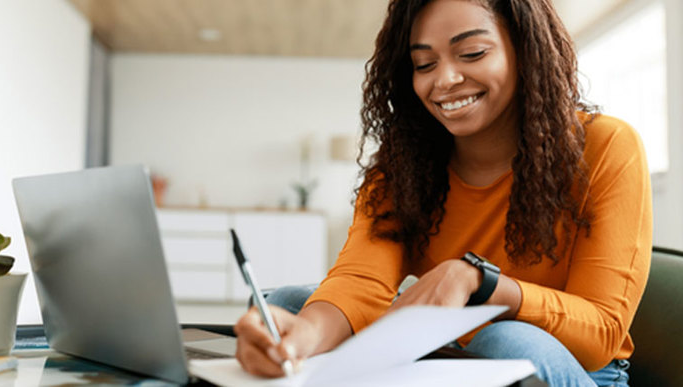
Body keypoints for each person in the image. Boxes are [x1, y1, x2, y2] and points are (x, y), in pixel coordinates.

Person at [233, 0, 652, 385]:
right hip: (450, 356)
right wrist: (302, 336)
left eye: (472, 54)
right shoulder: (402, 166)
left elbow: (601, 331)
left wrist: (477, 281)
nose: (445, 80)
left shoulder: (606, 146)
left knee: (506, 341)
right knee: (291, 304)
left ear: (525, 51)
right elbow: (361, 279)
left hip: (578, 369)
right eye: (424, 63)